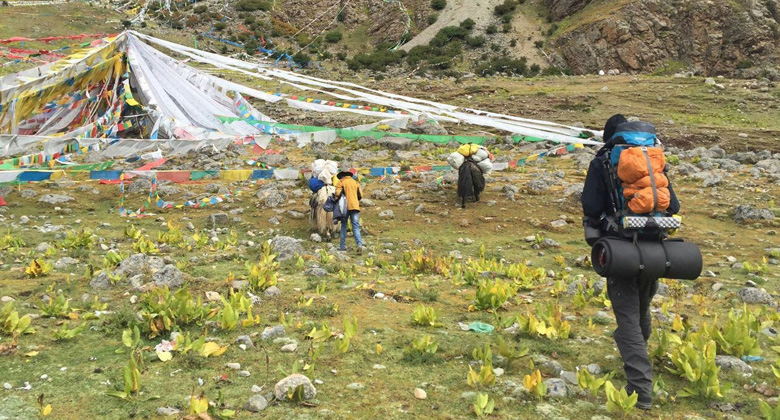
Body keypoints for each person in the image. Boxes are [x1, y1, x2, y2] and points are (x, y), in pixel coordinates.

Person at [581, 114, 680, 410]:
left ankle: (640, 390)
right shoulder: (652, 161)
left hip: (622, 248)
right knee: (640, 310)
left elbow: (591, 204)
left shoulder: (604, 162)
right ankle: (638, 360)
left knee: (626, 319)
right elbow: (672, 205)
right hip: (655, 247)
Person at [334, 170, 364, 252]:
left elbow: (337, 194)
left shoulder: (341, 183)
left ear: (342, 176)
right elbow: (360, 195)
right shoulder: (356, 183)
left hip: (344, 207)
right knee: (355, 226)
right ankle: (359, 244)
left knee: (344, 226)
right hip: (355, 207)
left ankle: (342, 246)